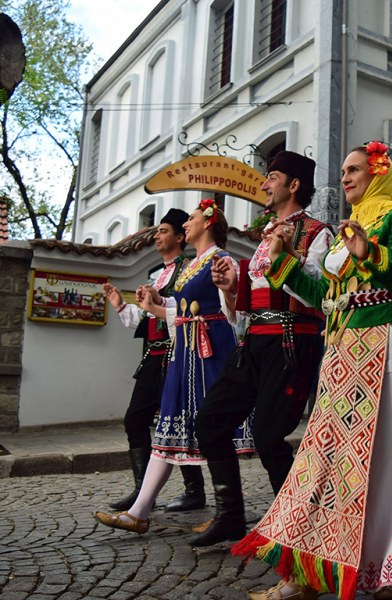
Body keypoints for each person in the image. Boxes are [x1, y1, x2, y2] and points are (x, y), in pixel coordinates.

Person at [232, 141, 392, 600]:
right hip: (343, 351)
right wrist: (282, 260)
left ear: (379, 172)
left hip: (388, 343)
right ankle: (310, 572)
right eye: (342, 170)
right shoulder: (347, 230)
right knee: (325, 460)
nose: (345, 177)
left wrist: (370, 254)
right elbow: (323, 294)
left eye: (355, 169)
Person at [189, 151, 332, 547]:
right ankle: (231, 517)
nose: (265, 185)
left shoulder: (318, 233)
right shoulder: (267, 234)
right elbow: (247, 307)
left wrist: (284, 258)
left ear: (294, 185)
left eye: (272, 177)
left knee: (269, 438)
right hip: (253, 342)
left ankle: (298, 528)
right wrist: (230, 287)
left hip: (291, 344)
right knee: (210, 421)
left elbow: (320, 295)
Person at [95, 200, 253, 533]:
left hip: (210, 355)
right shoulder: (192, 265)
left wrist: (231, 291)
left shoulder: (221, 260)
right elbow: (182, 312)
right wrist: (155, 305)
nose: (186, 225)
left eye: (191, 219)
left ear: (207, 223)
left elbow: (234, 313)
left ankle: (240, 512)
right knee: (170, 428)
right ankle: (140, 511)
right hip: (185, 353)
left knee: (216, 431)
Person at [102, 208, 207, 512]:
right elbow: (146, 319)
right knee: (136, 419)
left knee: (178, 422)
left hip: (178, 354)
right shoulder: (154, 275)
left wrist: (158, 303)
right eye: (157, 231)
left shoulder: (189, 270)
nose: (157, 236)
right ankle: (141, 489)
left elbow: (184, 313)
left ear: (179, 236)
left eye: (163, 230)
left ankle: (194, 490)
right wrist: (121, 304)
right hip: (153, 356)